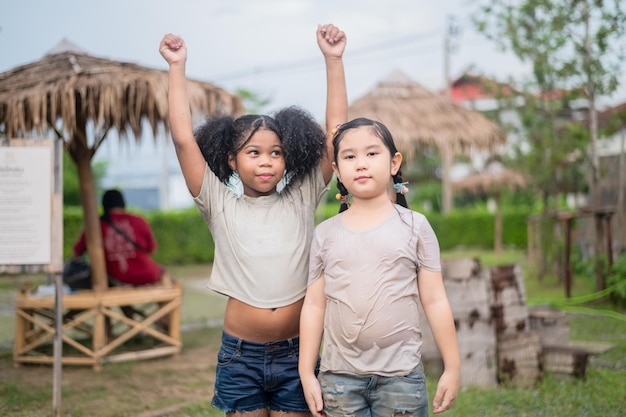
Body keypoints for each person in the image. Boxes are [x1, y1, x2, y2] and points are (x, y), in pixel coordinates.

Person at [159, 23, 347, 416]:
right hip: (240, 359)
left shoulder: (301, 196)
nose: (266, 161)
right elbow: (182, 139)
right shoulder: (217, 201)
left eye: (275, 153)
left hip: (299, 352)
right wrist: (177, 67)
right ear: (232, 160)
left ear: (288, 157)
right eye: (254, 152)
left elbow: (336, 138)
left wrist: (333, 60)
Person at [299, 118, 460, 417]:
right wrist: (307, 372)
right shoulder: (325, 234)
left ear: (394, 162)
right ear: (336, 170)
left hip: (401, 378)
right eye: (349, 156)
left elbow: (435, 300)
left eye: (372, 153)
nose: (361, 164)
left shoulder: (415, 227)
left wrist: (452, 367)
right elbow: (314, 305)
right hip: (339, 380)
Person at [73, 189, 167, 287]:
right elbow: (152, 249)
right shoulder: (139, 220)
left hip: (114, 279)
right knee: (164, 273)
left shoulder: (95, 226)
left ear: (104, 205)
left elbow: (76, 253)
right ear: (123, 203)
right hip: (147, 275)